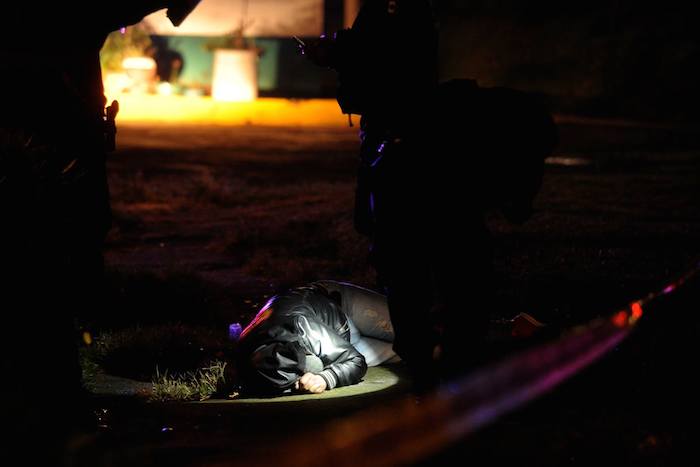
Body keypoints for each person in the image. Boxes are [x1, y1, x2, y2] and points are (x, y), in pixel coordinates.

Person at [301, 0, 557, 391]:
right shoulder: (411, 15)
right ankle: (449, 362)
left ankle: (438, 367)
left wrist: (336, 52)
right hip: (432, 147)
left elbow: (386, 68)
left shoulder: (397, 14)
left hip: (413, 153)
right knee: (447, 266)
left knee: (416, 269)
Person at [0, 1, 202, 464]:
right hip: (59, 171)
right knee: (56, 281)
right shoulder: (66, 19)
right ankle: (57, 401)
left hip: (42, 169)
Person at [231, 280, 399, 395]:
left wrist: (325, 378)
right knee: (409, 349)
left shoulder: (302, 328)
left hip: (344, 307)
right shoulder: (246, 361)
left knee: (415, 327)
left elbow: (355, 360)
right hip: (342, 345)